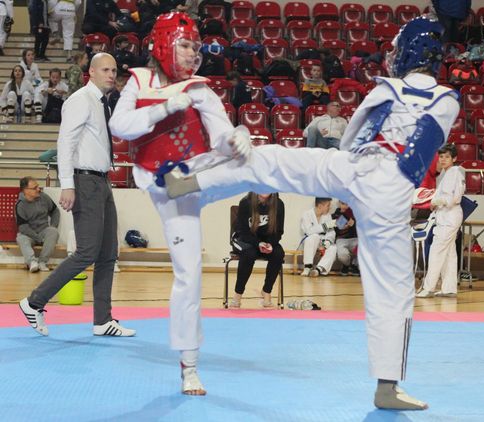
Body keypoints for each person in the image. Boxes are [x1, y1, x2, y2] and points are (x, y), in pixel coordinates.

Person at [165, 17, 460, 410]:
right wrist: (386, 189)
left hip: (354, 167)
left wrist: (352, 177)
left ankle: (190, 181)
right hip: (390, 189)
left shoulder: (385, 88)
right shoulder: (447, 99)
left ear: (408, 52)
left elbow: (354, 136)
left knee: (271, 160)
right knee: (393, 288)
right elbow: (420, 151)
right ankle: (387, 387)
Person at [108, 12, 251, 396]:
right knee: (189, 273)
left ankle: (331, 172)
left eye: (194, 47)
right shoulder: (139, 80)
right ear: (163, 44)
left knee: (260, 162)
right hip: (169, 186)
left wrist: (236, 138)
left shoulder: (200, 88)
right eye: (184, 45)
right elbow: (119, 126)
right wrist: (166, 106)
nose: (191, 53)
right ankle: (189, 367)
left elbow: (220, 135)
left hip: (201, 173)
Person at [18, 53, 135, 340]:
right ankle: (34, 302)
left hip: (101, 181)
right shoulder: (80, 100)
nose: (111, 74)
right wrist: (68, 185)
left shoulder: (102, 102)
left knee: (108, 253)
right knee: (87, 252)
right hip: (84, 182)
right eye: (105, 70)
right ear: (91, 72)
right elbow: (65, 143)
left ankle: (102, 320)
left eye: (114, 70)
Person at [416, 144, 465, 298]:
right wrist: (436, 202)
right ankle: (449, 288)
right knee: (449, 253)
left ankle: (428, 288)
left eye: (447, 157)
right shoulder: (450, 173)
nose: (443, 160)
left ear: (454, 158)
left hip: (449, 216)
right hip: (448, 215)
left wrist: (434, 202)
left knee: (436, 251)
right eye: (441, 157)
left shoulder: (453, 173)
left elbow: (451, 199)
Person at [230, 192, 285, 308]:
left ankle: (266, 291)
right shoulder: (246, 202)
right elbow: (243, 232)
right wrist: (257, 243)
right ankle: (238, 294)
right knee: (249, 253)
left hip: (265, 240)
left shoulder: (279, 204)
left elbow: (279, 231)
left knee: (278, 253)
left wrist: (270, 244)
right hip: (244, 239)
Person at [15, 176, 60, 273]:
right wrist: (38, 238)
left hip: (43, 230)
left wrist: (53, 225)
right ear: (26, 190)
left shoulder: (44, 197)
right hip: (29, 234)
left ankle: (42, 262)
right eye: (35, 188)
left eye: (38, 186)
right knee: (21, 238)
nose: (38, 189)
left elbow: (55, 211)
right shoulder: (20, 205)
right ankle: (32, 262)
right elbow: (23, 228)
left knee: (53, 232)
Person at [300, 197, 337, 277]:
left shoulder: (328, 216)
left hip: (322, 242)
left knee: (333, 248)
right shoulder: (307, 214)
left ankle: (318, 269)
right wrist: (325, 226)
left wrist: (327, 242)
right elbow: (308, 231)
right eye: (328, 205)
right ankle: (307, 267)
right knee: (314, 236)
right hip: (310, 242)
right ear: (320, 206)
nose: (330, 208)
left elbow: (331, 232)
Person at [332, 201, 360, 276]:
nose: (345, 206)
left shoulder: (355, 213)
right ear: (339, 203)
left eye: (347, 204)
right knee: (342, 255)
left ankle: (354, 265)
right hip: (341, 240)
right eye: (343, 204)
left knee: (366, 245)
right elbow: (334, 231)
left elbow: (361, 229)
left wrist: (354, 224)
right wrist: (341, 228)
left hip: (355, 239)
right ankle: (346, 265)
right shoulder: (335, 215)